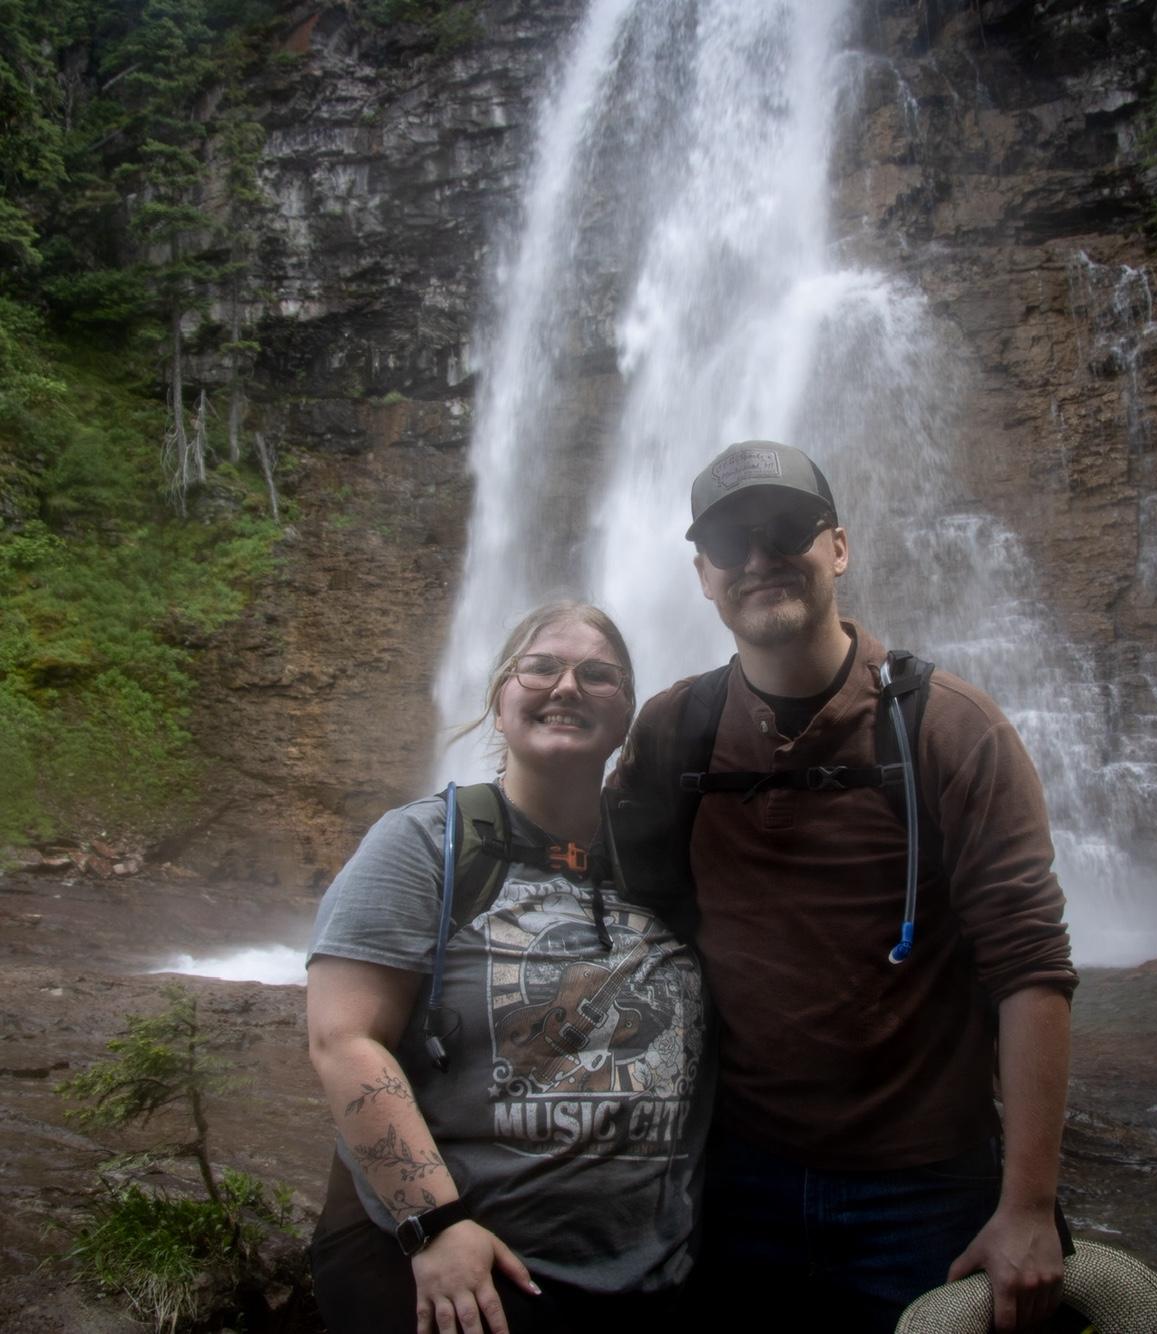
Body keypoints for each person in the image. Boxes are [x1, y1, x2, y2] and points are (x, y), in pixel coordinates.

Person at [609, 441, 1078, 1331]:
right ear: (704, 575)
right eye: (730, 542)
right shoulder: (673, 732)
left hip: (926, 1188)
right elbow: (614, 900)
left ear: (838, 546)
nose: (760, 557)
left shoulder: (949, 728)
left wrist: (1027, 1206)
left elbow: (1031, 968)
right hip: (734, 1176)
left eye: (787, 527)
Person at [306, 602, 711, 1334]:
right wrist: (435, 1224)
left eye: (599, 675)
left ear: (627, 717)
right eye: (540, 667)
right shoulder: (425, 843)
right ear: (499, 699)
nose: (567, 686)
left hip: (652, 1278)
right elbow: (344, 1040)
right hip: (459, 1272)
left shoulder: (664, 861)